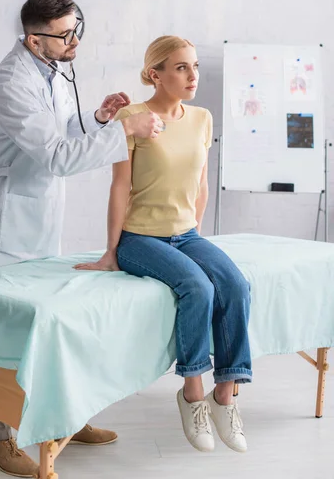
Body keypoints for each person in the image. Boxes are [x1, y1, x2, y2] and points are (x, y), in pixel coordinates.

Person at [0, 0, 164, 478]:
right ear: (35, 40)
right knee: (6, 330)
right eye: (64, 35)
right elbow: (56, 156)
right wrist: (126, 132)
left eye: (76, 27)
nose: (74, 40)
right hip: (10, 217)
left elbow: (60, 132)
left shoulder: (49, 70)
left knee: (51, 322)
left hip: (42, 212)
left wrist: (97, 118)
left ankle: (60, 419)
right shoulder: (11, 81)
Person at [75, 36, 252, 455]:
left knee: (236, 284)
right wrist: (111, 251)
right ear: (155, 74)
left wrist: (195, 235)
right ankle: (192, 393)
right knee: (198, 288)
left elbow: (202, 182)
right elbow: (120, 187)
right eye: (181, 68)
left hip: (186, 234)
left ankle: (225, 396)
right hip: (140, 237)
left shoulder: (202, 118)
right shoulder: (132, 116)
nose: (193, 76)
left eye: (194, 67)